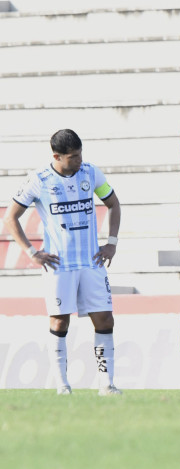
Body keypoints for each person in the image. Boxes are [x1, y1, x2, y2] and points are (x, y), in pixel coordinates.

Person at [4, 129, 122, 395]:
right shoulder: (38, 180)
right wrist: (31, 252)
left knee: (104, 319)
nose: (79, 160)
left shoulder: (91, 173)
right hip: (59, 266)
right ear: (57, 156)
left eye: (81, 154)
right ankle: (62, 385)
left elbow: (114, 204)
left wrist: (111, 243)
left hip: (91, 262)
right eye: (73, 157)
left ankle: (107, 384)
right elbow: (10, 217)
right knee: (59, 322)